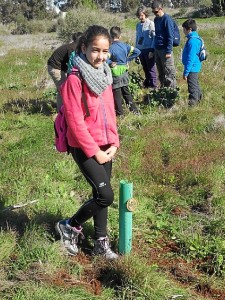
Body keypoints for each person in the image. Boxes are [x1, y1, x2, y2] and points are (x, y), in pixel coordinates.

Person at [55, 25, 120, 260]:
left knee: (99, 192)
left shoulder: (105, 75)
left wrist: (114, 142)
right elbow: (75, 123)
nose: (100, 56)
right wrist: (95, 152)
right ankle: (69, 226)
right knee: (106, 196)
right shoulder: (74, 80)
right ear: (84, 48)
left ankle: (101, 244)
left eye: (105, 51)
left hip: (106, 144)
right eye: (95, 50)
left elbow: (110, 112)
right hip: (83, 146)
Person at [108, 26, 140, 116]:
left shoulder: (110, 48)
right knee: (126, 92)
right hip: (124, 72)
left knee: (117, 94)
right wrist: (128, 59)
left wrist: (110, 62)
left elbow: (105, 59)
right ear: (120, 36)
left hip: (115, 73)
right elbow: (137, 52)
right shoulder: (125, 46)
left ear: (110, 36)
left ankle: (120, 114)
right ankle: (134, 111)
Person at [47, 32, 82, 112]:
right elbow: (72, 62)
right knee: (63, 90)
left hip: (59, 68)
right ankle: (62, 111)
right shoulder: (72, 48)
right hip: (55, 68)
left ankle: (62, 109)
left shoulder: (71, 46)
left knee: (62, 89)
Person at [150, 0, 177, 88]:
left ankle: (172, 94)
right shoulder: (156, 19)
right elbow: (156, 35)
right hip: (157, 49)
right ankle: (163, 91)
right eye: (153, 12)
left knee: (169, 72)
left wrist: (169, 51)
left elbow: (170, 36)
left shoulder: (167, 19)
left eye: (156, 11)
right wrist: (154, 49)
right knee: (160, 72)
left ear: (161, 9)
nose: (155, 13)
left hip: (165, 50)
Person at [182, 19, 203, 107]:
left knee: (192, 88)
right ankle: (200, 102)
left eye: (184, 29)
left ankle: (192, 106)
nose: (183, 31)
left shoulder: (192, 41)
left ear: (189, 29)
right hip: (194, 67)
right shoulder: (194, 38)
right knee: (196, 85)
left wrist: (186, 72)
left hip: (192, 68)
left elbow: (191, 58)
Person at [135, 6, 157, 89]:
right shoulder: (138, 25)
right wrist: (136, 51)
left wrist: (152, 50)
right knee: (145, 68)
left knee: (151, 68)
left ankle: (154, 85)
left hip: (149, 49)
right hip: (140, 50)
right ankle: (147, 84)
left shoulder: (151, 23)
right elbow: (137, 38)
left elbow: (154, 37)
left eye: (141, 15)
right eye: (138, 15)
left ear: (145, 14)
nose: (140, 17)